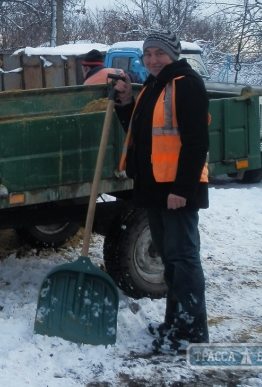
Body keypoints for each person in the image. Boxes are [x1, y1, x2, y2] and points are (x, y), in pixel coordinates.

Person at [113, 29, 210, 354]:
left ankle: (190, 334)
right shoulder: (155, 86)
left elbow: (197, 143)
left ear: (174, 54)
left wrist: (183, 189)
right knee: (170, 262)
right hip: (153, 189)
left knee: (183, 261)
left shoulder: (187, 85)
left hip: (176, 191)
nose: (153, 59)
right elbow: (141, 133)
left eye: (159, 53)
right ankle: (174, 324)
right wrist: (126, 102)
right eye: (148, 54)